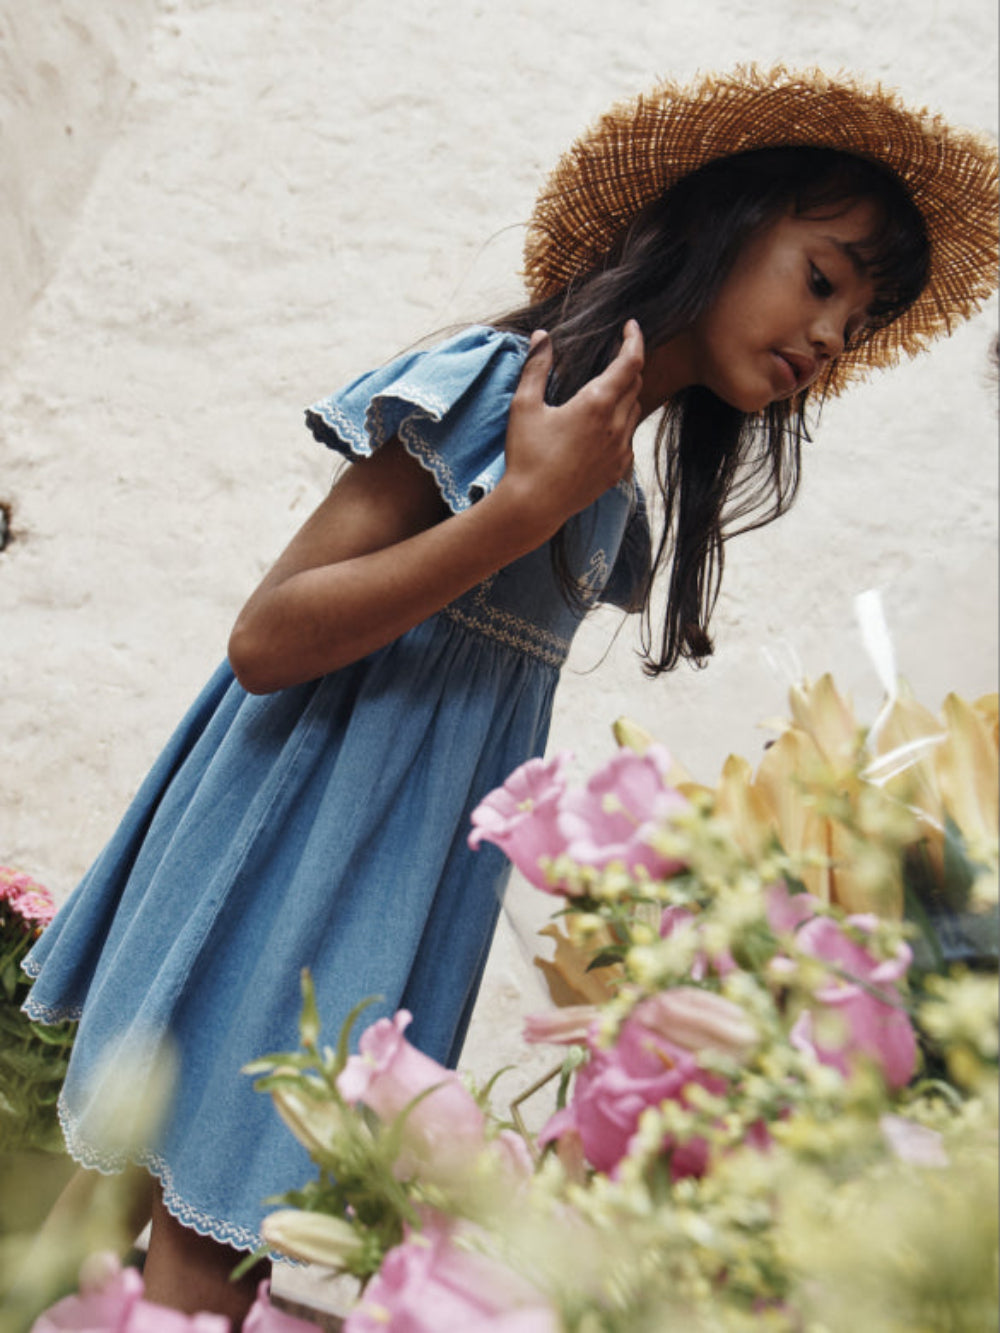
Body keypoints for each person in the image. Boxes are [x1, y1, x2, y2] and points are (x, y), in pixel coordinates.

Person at [22, 67, 998, 1324]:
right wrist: (518, 512)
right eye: (821, 279)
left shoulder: (609, 480)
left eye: (854, 324)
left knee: (120, 1220)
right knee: (198, 1231)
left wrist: (556, 502)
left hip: (391, 877)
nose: (827, 338)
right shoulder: (500, 388)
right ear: (719, 226)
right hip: (289, 848)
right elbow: (268, 638)